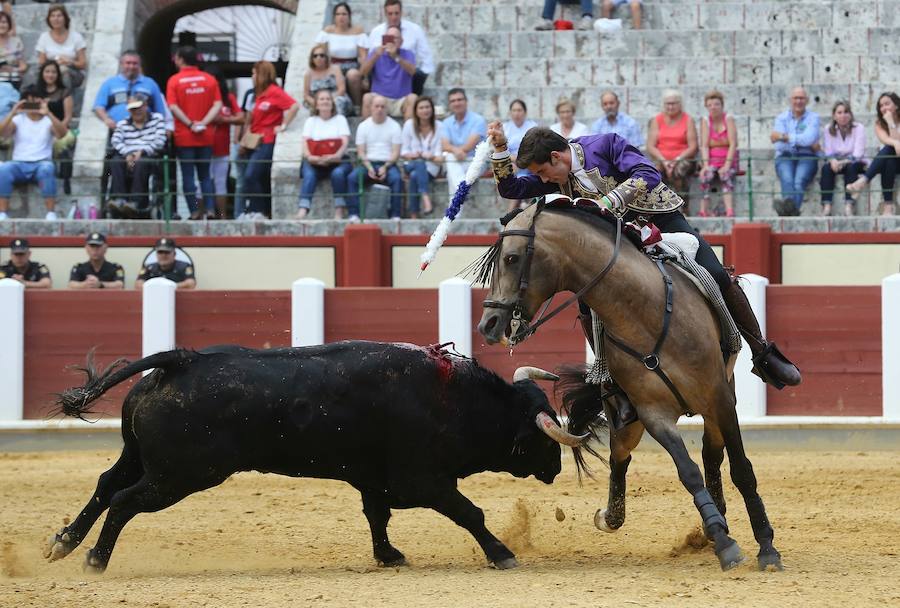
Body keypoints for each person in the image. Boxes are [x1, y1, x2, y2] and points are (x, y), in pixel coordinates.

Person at [485, 123, 802, 405]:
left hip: (659, 219)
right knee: (586, 300)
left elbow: (648, 174)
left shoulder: (605, 144)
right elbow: (510, 189)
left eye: (543, 172)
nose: (543, 180)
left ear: (556, 157)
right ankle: (610, 380)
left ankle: (762, 352)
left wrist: (608, 202)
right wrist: (499, 149)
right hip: (615, 241)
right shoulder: (556, 174)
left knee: (716, 274)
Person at [166, 46, 222, 220]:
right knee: (206, 175)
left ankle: (194, 211)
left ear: (180, 59)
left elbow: (173, 107)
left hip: (185, 136)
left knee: (188, 176)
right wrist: (203, 123)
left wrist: (190, 124)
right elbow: (218, 104)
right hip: (206, 135)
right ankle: (210, 210)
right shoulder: (209, 79)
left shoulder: (174, 81)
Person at [238, 60, 298, 220]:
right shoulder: (257, 94)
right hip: (254, 141)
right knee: (259, 177)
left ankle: (258, 210)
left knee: (251, 175)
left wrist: (283, 125)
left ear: (262, 74)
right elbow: (251, 120)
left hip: (267, 140)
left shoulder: (274, 92)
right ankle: (260, 210)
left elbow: (294, 106)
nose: (252, 77)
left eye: (254, 73)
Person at [0, 87, 67, 221]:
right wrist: (13, 113)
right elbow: (1, 133)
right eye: (29, 102)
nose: (32, 105)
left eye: (35, 102)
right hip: (19, 163)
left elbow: (62, 134)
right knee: (4, 169)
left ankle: (50, 212)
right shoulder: (18, 119)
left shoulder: (48, 120)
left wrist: (48, 113)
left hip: (41, 163)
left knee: (47, 169)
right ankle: (2, 212)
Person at [107, 96, 167, 218]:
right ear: (129, 110)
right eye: (133, 109)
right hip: (127, 154)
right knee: (116, 161)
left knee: (142, 162)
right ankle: (119, 199)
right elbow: (115, 141)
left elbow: (160, 141)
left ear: (145, 106)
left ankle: (136, 202)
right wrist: (128, 154)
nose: (137, 111)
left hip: (149, 155)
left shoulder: (157, 119)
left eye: (139, 107)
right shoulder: (123, 123)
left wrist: (141, 152)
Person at [347, 95, 403, 220]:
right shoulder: (363, 126)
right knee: (352, 178)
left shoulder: (394, 126)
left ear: (387, 109)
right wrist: (369, 168)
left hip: (388, 163)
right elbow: (361, 152)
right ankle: (354, 214)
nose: (379, 109)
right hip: (368, 163)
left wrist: (385, 167)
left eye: (383, 106)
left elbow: (395, 152)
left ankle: (395, 215)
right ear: (371, 108)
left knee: (397, 179)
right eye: (376, 106)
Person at [299, 89, 352, 219]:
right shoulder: (311, 121)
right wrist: (311, 157)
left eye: (328, 99)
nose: (325, 101)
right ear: (316, 104)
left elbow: (344, 142)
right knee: (309, 175)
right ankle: (303, 209)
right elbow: (305, 143)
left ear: (332, 103)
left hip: (338, 160)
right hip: (314, 160)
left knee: (338, 174)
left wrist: (336, 156)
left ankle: (339, 209)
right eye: (322, 99)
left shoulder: (340, 119)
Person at [847, 92, 900, 217]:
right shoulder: (879, 123)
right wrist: (895, 142)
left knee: (889, 150)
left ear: (896, 105)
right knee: (889, 158)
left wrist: (891, 123)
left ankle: (863, 181)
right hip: (891, 160)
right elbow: (890, 142)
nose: (884, 108)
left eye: (887, 104)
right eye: (881, 105)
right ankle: (887, 208)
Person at [367, 0, 434, 96]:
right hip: (383, 75)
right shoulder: (376, 32)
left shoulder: (415, 30)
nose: (394, 17)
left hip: (408, 73)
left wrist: (421, 74)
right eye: (390, 14)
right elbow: (370, 59)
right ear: (385, 14)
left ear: (402, 12)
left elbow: (426, 56)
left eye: (396, 13)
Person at [771, 87, 820, 216]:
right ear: (790, 100)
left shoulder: (814, 117)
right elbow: (779, 145)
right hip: (785, 156)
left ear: (807, 100)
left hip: (807, 156)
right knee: (787, 179)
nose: (798, 101)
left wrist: (784, 137)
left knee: (799, 181)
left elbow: (809, 139)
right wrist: (801, 140)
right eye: (796, 98)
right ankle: (792, 213)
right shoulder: (781, 118)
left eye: (801, 98)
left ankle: (786, 213)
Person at [92, 50, 168, 130]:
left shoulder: (150, 84)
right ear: (121, 64)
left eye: (135, 63)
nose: (131, 66)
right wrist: (106, 119)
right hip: (117, 130)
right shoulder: (110, 83)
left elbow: (160, 110)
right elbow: (98, 106)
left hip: (146, 131)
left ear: (139, 65)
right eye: (128, 63)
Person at [646, 89, 698, 202]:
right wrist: (664, 161)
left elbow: (693, 147)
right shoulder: (657, 120)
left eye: (673, 103)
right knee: (655, 173)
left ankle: (682, 205)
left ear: (680, 104)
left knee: (678, 172)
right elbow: (650, 146)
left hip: (683, 158)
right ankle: (660, 205)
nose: (670, 107)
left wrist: (677, 160)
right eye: (667, 104)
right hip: (661, 158)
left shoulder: (688, 120)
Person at [819, 101, 866, 217]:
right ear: (834, 116)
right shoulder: (828, 129)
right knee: (826, 169)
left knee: (851, 168)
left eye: (846, 112)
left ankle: (849, 205)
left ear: (850, 114)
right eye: (839, 113)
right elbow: (828, 151)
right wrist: (833, 161)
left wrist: (842, 162)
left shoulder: (858, 128)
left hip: (856, 162)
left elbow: (858, 154)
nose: (843, 115)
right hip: (837, 161)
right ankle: (827, 206)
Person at [315, 2, 367, 107]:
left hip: (352, 65)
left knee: (353, 75)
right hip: (333, 66)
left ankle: (357, 105)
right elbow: (320, 52)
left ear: (349, 16)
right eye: (338, 14)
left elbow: (363, 56)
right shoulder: (328, 31)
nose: (341, 17)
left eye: (344, 14)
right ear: (334, 16)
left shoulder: (358, 31)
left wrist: (365, 76)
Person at [360, 25, 416, 120]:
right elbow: (363, 72)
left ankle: (408, 128)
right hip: (380, 99)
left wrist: (395, 57)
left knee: (413, 98)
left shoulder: (408, 53)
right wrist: (376, 56)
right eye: (389, 38)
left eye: (395, 38)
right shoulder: (376, 52)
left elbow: (412, 71)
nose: (392, 41)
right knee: (367, 98)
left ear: (401, 41)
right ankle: (366, 128)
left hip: (401, 100)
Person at [698, 90, 738, 218]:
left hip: (728, 159)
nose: (713, 107)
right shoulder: (706, 121)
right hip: (712, 160)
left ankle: (729, 210)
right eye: (710, 105)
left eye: (716, 104)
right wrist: (705, 165)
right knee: (706, 175)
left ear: (722, 105)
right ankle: (703, 210)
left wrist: (727, 165)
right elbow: (704, 145)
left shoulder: (728, 119)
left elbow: (733, 144)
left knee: (725, 175)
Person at [401, 96, 443, 217]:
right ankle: (425, 198)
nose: (425, 110)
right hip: (411, 163)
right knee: (419, 162)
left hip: (431, 166)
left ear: (432, 109)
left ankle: (413, 214)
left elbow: (439, 155)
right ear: (416, 111)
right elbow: (403, 151)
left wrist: (429, 156)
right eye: (421, 108)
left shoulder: (440, 126)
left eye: (427, 107)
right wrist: (413, 155)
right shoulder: (409, 125)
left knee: (415, 176)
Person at [441, 87, 487, 197]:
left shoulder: (478, 120)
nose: (456, 103)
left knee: (451, 169)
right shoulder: (446, 123)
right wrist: (455, 151)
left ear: (466, 101)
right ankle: (462, 192)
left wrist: (454, 150)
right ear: (449, 104)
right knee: (450, 159)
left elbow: (469, 146)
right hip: (455, 160)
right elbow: (445, 145)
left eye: (459, 100)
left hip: (474, 161)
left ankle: (458, 196)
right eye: (453, 101)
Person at [210, 70, 243, 219]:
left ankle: (222, 216)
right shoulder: (203, 97)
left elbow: (241, 117)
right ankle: (200, 213)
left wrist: (224, 120)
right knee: (200, 185)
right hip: (204, 148)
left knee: (220, 184)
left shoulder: (229, 98)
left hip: (222, 149)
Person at [35, 4, 86, 89]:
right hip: (52, 70)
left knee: (63, 71)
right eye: (53, 16)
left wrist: (69, 61)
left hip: (73, 72)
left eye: (59, 16)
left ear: (65, 18)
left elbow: (83, 64)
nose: (56, 19)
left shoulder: (76, 37)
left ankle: (65, 96)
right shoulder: (44, 37)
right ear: (49, 19)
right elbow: (41, 62)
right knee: (34, 73)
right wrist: (55, 64)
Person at [501, 98, 538, 212]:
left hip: (529, 163)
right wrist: (513, 161)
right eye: (514, 110)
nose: (517, 113)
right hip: (512, 163)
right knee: (515, 175)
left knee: (521, 178)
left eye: (519, 110)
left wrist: (521, 161)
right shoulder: (505, 128)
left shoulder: (533, 127)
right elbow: (501, 150)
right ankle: (522, 207)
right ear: (510, 112)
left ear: (525, 112)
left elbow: (535, 149)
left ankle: (510, 214)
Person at [303, 43, 352, 117]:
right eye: (315, 56)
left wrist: (327, 100)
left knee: (337, 103)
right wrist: (317, 102)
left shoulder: (335, 69)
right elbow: (306, 95)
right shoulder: (308, 74)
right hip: (317, 101)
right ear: (312, 59)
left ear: (326, 57)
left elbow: (342, 89)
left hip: (336, 97)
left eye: (321, 55)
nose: (318, 58)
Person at [0, 11, 25, 90]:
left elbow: (23, 65)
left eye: (4, 22)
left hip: (13, 80)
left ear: (9, 24)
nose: (1, 25)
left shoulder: (16, 42)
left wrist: (13, 69)